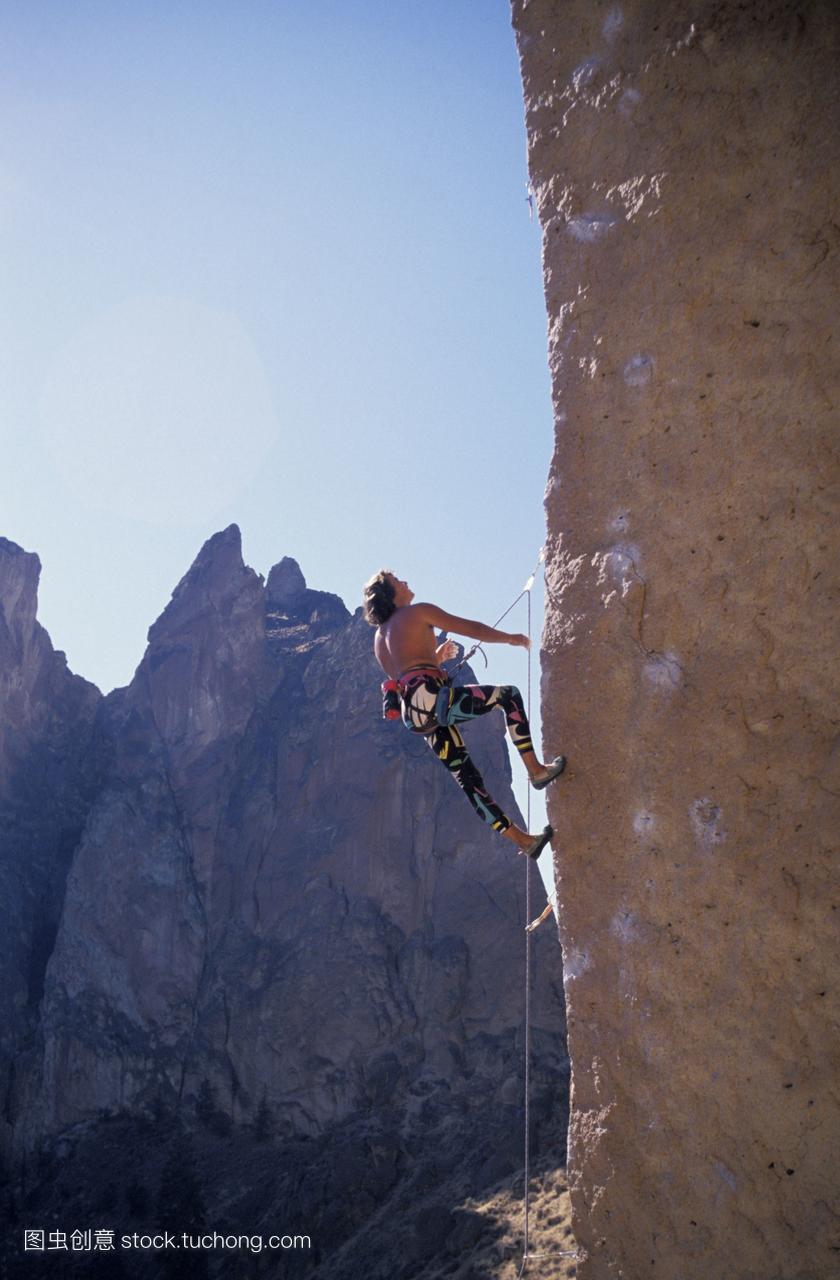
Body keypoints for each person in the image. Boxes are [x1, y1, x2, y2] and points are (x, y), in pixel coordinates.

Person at [363, 569, 566, 860]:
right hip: (433, 699)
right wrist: (509, 638)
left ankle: (524, 841)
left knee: (467, 779)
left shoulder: (380, 639)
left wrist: (437, 658)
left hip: (416, 715)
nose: (405, 581)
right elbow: (471, 628)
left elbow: (407, 670)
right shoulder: (419, 612)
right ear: (390, 593)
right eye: (398, 580)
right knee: (508, 696)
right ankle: (536, 770)